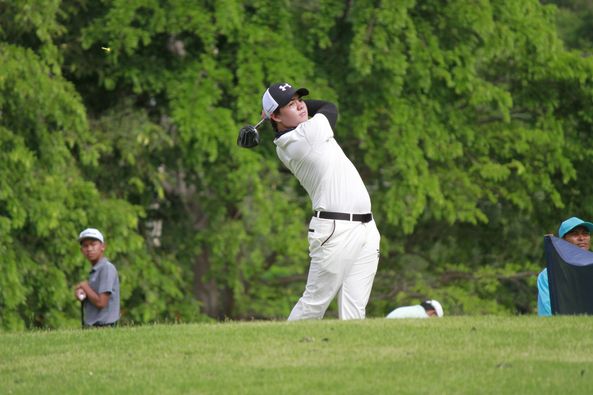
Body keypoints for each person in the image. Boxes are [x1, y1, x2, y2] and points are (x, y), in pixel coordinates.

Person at [261, 82, 381, 320]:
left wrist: (277, 113)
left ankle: (350, 356)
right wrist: (272, 116)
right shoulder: (303, 136)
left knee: (355, 310)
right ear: (276, 115)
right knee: (313, 305)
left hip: (366, 228)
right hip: (335, 230)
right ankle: (281, 351)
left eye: (301, 101)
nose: (302, 107)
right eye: (291, 105)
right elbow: (329, 106)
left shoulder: (303, 128)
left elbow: (318, 109)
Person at [537, 216, 593, 316]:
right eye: (575, 234)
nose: (581, 238)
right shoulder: (547, 275)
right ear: (563, 241)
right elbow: (547, 314)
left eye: (585, 234)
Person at [74, 228, 120, 327]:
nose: (89, 249)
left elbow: (101, 302)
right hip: (94, 327)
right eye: (85, 246)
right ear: (82, 250)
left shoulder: (107, 268)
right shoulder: (95, 270)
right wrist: (82, 294)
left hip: (105, 326)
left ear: (102, 247)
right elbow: (93, 296)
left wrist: (84, 286)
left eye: (93, 244)